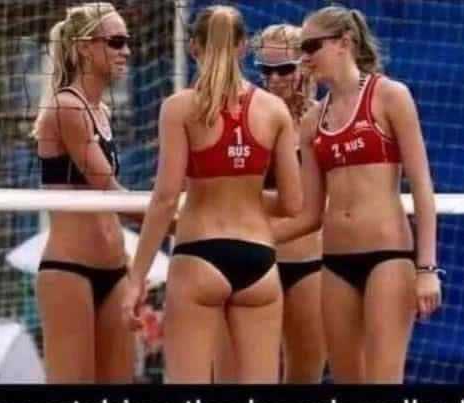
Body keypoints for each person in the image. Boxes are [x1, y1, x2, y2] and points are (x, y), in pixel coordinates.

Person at [123, 5, 302, 383]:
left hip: (199, 255)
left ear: (194, 48)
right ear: (243, 47)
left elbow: (165, 198)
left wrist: (137, 278)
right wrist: (243, 192)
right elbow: (292, 203)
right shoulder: (274, 110)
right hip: (258, 260)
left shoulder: (179, 108)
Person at [299, 6, 442, 383]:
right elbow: (308, 214)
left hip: (388, 255)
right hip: (335, 261)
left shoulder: (390, 96)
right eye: (301, 49)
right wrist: (250, 231)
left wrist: (427, 269)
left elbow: (422, 187)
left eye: (311, 46)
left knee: (383, 380)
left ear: (344, 43)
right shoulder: (312, 121)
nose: (304, 58)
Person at [215, 23, 326, 384]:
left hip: (307, 261)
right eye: (266, 70)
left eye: (284, 69)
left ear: (304, 66)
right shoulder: (245, 115)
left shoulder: (325, 119)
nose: (274, 79)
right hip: (251, 257)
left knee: (305, 375)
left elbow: (323, 201)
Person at [34, 2, 134, 383]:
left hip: (116, 270)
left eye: (127, 41)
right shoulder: (67, 107)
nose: (126, 51)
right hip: (70, 270)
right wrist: (179, 223)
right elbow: (109, 190)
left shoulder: (102, 111)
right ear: (85, 48)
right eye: (116, 42)